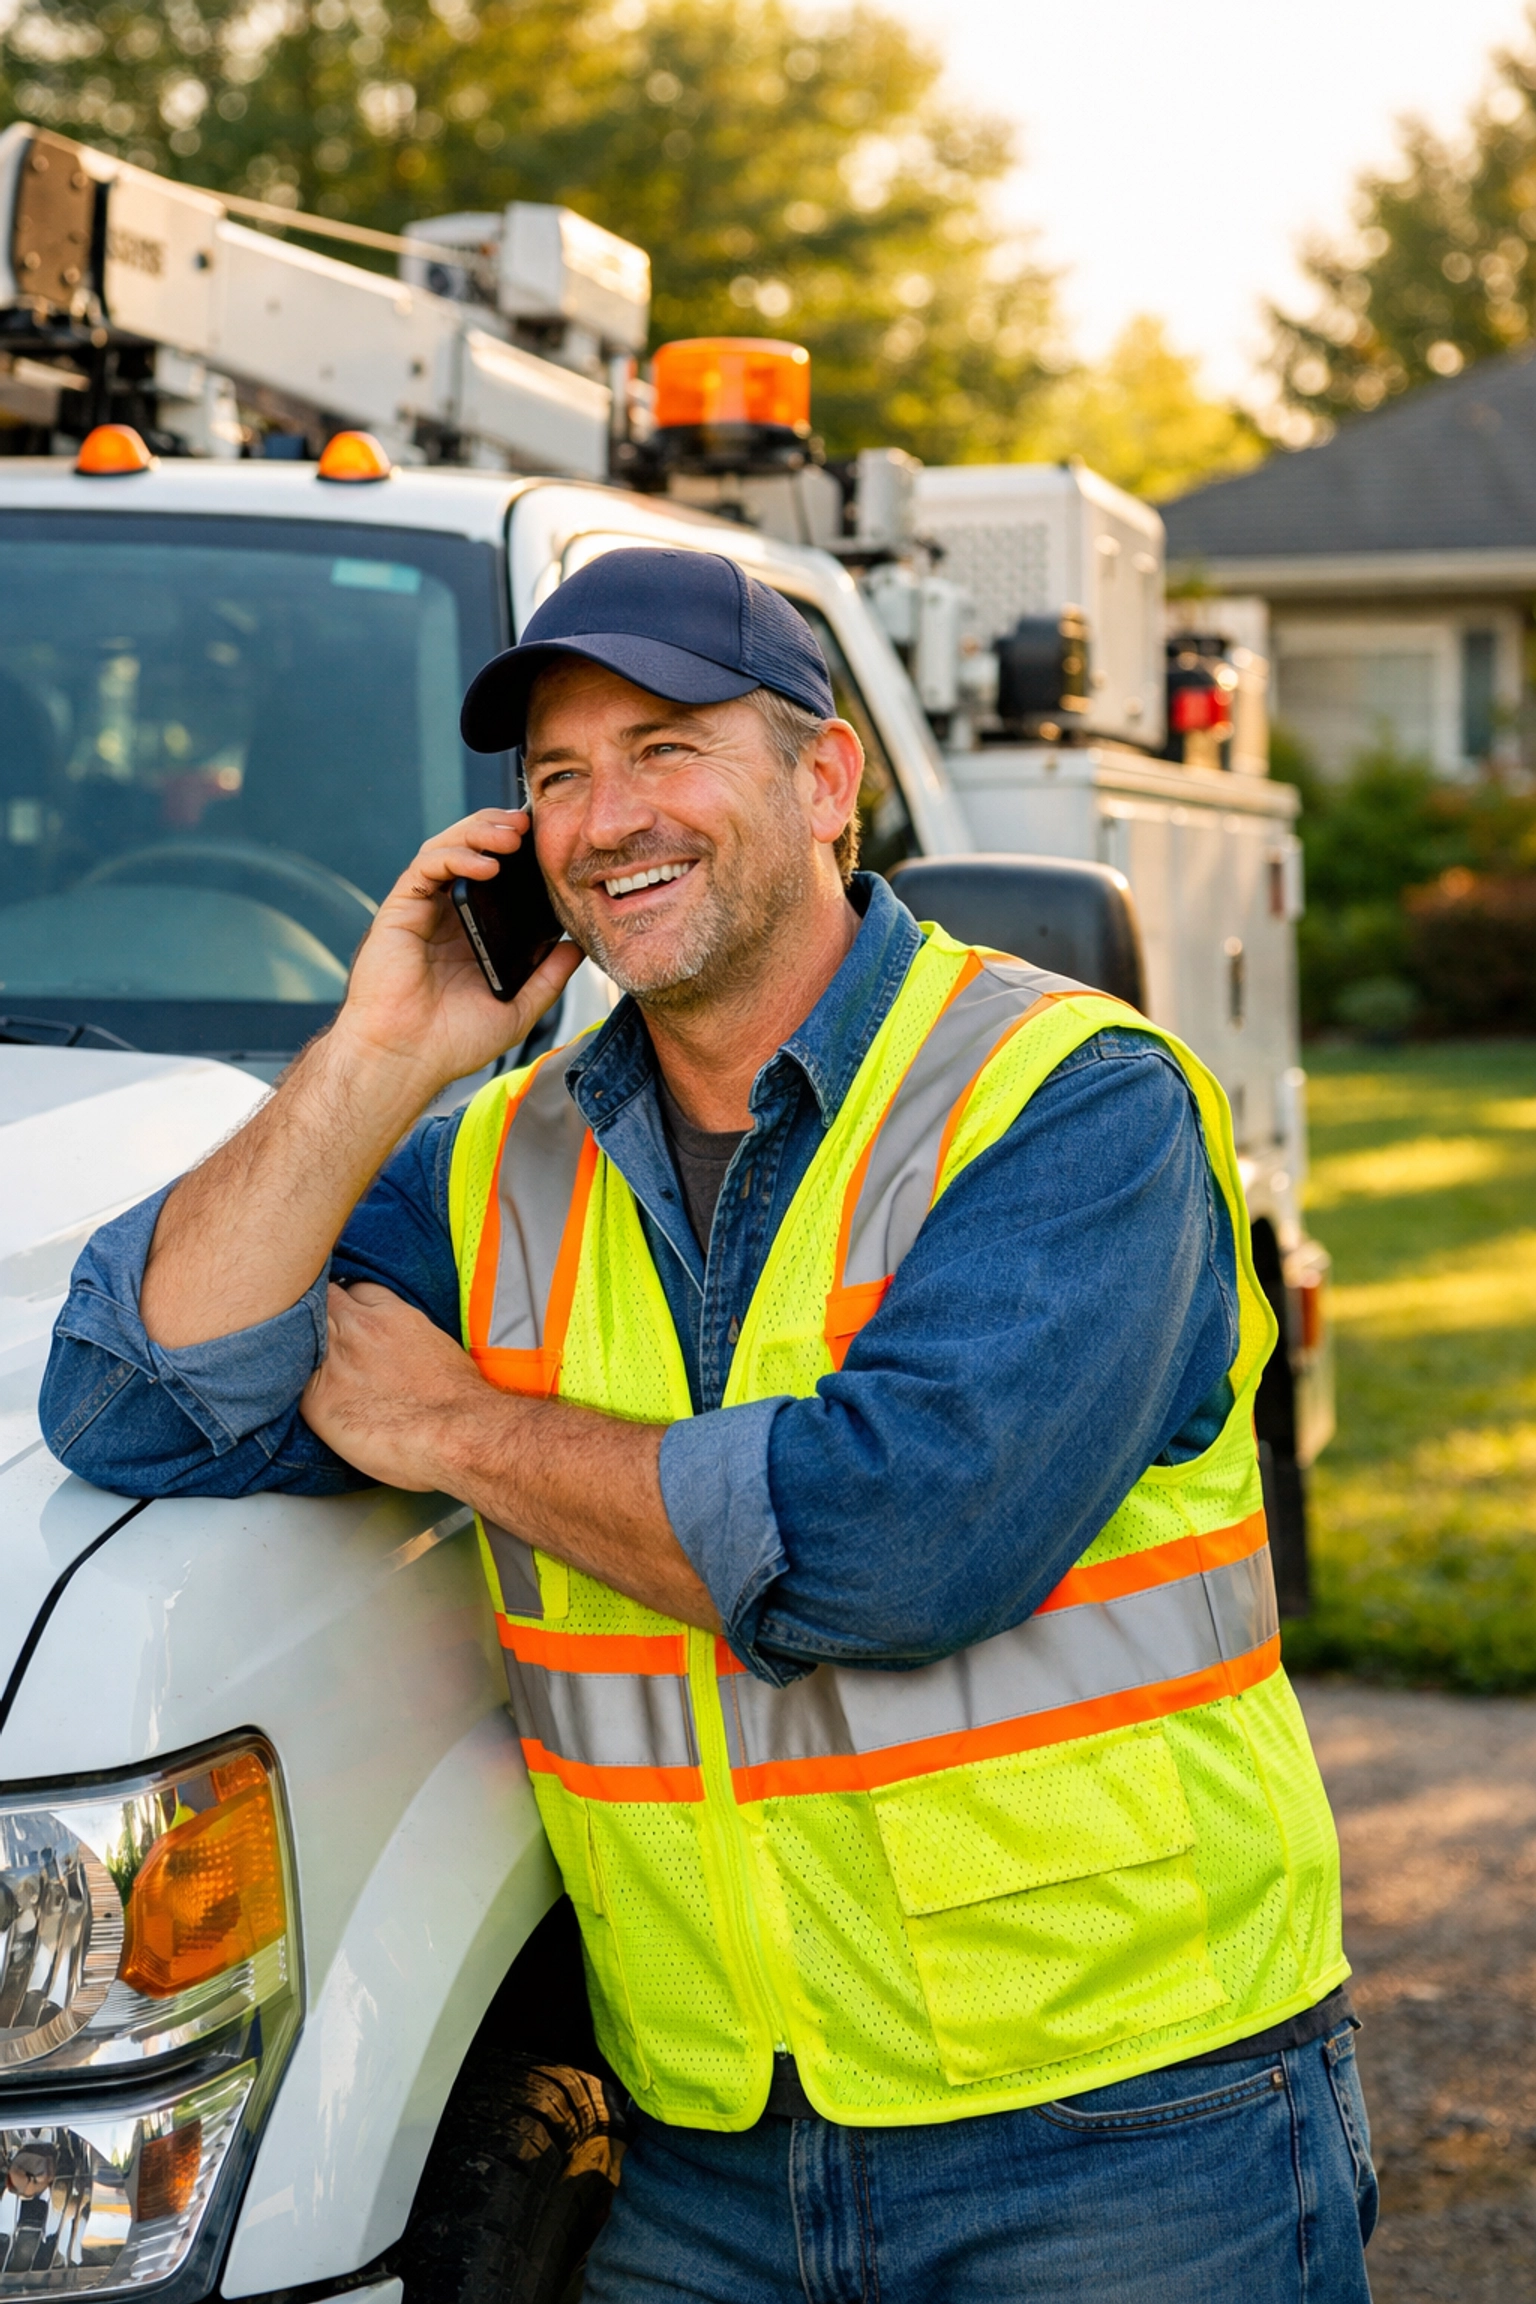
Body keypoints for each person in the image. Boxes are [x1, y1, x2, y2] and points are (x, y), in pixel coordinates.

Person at [41, 548, 1376, 2302]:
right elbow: (134, 1394)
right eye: (554, 779)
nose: (604, 820)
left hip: (1120, 2133)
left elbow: (888, 1547)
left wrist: (455, 1429)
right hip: (709, 2164)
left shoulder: (1073, 1102)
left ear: (827, 783)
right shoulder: (498, 1158)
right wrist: (382, 1049)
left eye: (664, 748)